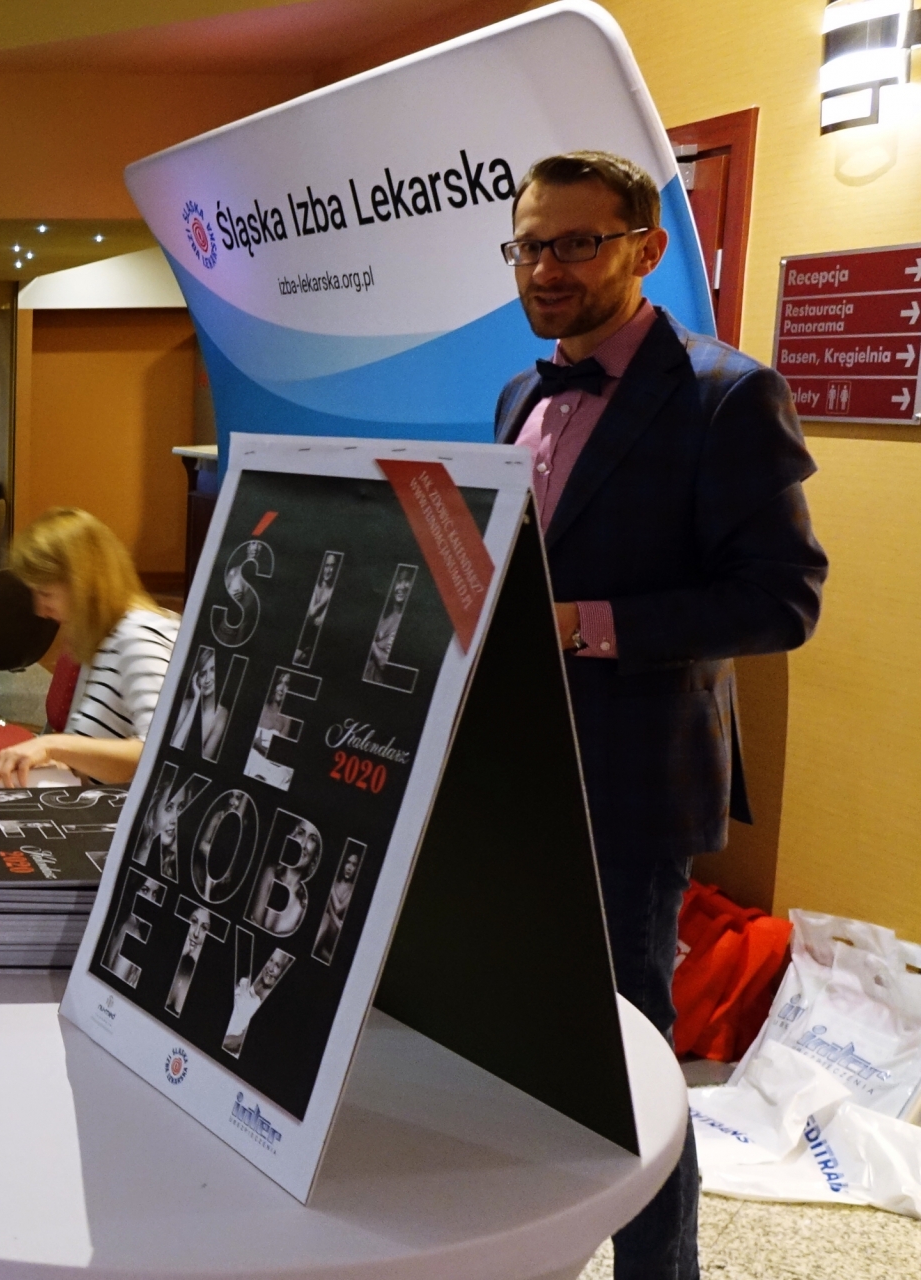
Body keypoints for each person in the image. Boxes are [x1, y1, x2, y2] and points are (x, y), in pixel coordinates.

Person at [495, 150, 826, 1280]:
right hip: (518, 770)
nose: (547, 268)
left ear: (646, 247)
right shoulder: (521, 393)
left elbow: (781, 600)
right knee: (528, 1040)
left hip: (635, 779)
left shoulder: (729, 395)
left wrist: (581, 624)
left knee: (629, 1054)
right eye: (530, 245)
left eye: (577, 244)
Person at [0, 507, 179, 786]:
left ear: (84, 584)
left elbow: (163, 750)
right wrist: (65, 760)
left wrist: (54, 746)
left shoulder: (139, 637)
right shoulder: (106, 634)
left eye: (45, 593)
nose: (40, 609)